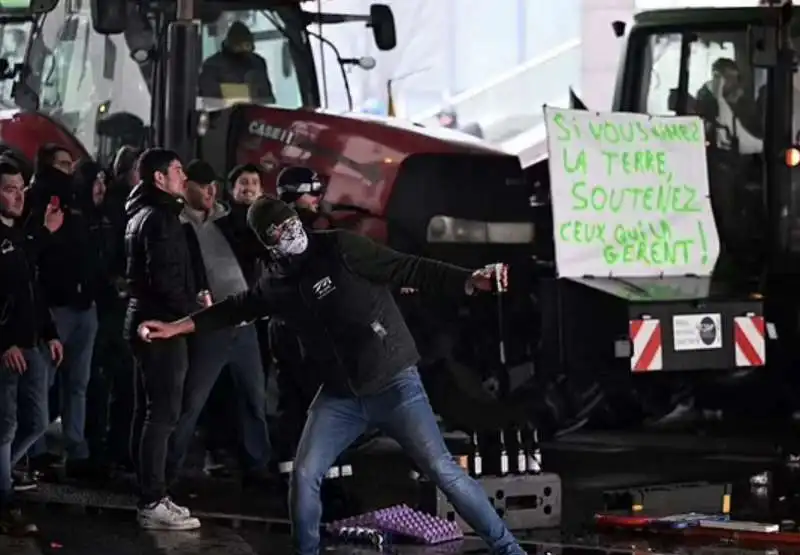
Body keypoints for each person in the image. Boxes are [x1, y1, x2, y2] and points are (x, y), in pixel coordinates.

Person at [137, 196, 526, 555]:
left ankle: (509, 549)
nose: (293, 233)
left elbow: (406, 266)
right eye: (280, 231)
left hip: (394, 383)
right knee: (304, 474)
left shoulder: (340, 248)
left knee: (442, 469)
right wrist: (177, 327)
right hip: (341, 396)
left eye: (293, 223)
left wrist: (468, 279)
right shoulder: (277, 284)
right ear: (269, 243)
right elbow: (234, 309)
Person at [168, 160, 272, 487]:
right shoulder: (175, 222)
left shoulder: (227, 219)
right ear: (187, 187)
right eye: (203, 185)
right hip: (210, 326)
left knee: (254, 398)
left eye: (214, 185)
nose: (211, 191)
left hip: (243, 323)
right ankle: (167, 469)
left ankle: (257, 466)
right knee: (192, 400)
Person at [123, 148, 200, 530]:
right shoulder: (162, 218)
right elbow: (167, 280)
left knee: (148, 411)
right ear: (159, 179)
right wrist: (194, 312)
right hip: (161, 324)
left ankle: (149, 493)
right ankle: (152, 499)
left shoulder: (141, 214)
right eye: (178, 170)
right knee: (163, 414)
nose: (183, 177)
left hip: (142, 319)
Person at [25, 146, 99, 476]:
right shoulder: (35, 200)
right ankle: (35, 450)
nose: (70, 170)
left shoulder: (77, 201)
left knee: (77, 383)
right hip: (53, 308)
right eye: (63, 164)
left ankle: (76, 447)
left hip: (84, 306)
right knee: (42, 384)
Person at [0, 161, 64, 535]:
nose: (18, 195)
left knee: (37, 421)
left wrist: (50, 332)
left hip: (33, 344)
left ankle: (4, 475)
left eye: (21, 188)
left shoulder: (21, 236)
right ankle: (5, 498)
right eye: (9, 188)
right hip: (8, 349)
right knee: (6, 423)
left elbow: (33, 293)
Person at [198, 21, 275, 105]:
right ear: (231, 44)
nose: (244, 49)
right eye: (240, 45)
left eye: (247, 45)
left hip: (255, 114)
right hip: (222, 115)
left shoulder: (258, 63)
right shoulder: (213, 65)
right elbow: (207, 98)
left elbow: (268, 98)